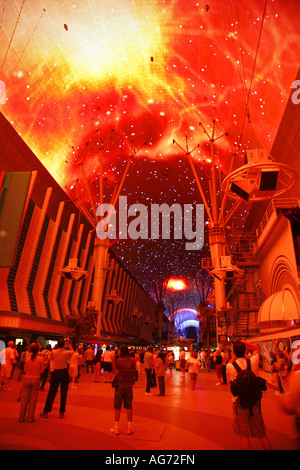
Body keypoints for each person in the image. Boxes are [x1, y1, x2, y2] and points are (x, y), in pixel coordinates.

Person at [226, 340, 272, 450]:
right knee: (262, 434)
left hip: (239, 403)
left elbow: (231, 361)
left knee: (244, 436)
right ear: (245, 350)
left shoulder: (230, 366)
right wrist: (244, 342)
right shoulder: (253, 361)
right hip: (255, 402)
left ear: (234, 352)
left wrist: (235, 354)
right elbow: (256, 348)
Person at [40, 338, 74, 419]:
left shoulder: (53, 352)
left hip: (55, 373)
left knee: (51, 393)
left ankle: (46, 411)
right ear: (64, 345)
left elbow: (52, 359)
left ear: (57, 344)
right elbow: (72, 351)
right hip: (64, 373)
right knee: (63, 393)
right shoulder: (66, 353)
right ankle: (61, 412)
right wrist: (68, 343)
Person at [110, 345, 136, 436]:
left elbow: (115, 370)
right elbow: (134, 372)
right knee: (129, 407)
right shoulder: (133, 361)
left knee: (117, 407)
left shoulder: (119, 360)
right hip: (129, 386)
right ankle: (129, 428)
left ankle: (116, 428)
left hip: (120, 385)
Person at [18, 344, 44, 423]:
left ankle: (21, 417)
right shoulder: (41, 359)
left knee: (24, 398)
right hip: (36, 379)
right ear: (38, 351)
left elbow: (25, 370)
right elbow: (42, 370)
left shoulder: (28, 359)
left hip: (27, 378)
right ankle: (30, 418)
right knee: (33, 399)